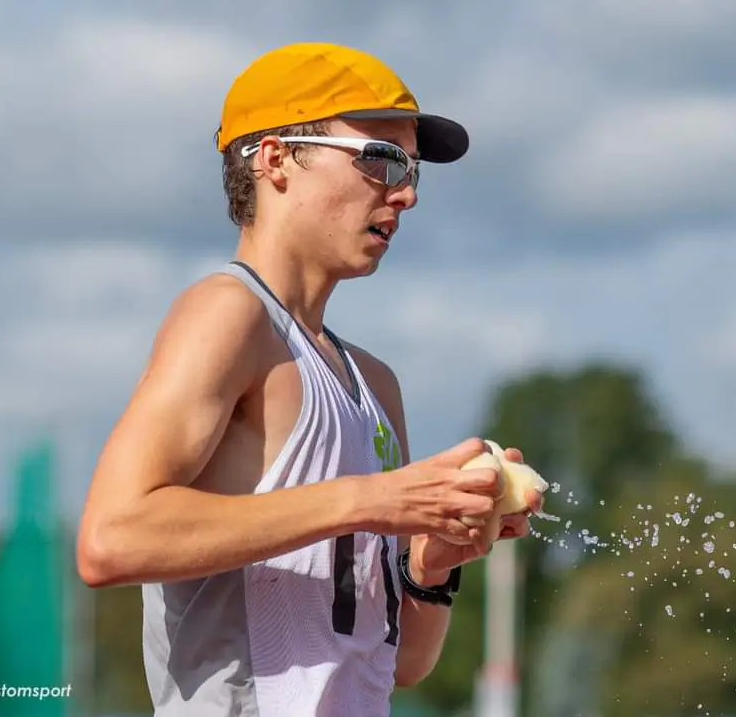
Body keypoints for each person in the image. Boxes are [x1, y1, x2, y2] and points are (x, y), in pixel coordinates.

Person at [75, 42, 542, 716]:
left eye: (411, 168)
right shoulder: (228, 315)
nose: (406, 191)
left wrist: (435, 561)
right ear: (274, 160)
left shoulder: (376, 384)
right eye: (380, 159)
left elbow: (401, 663)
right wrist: (369, 500)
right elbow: (111, 539)